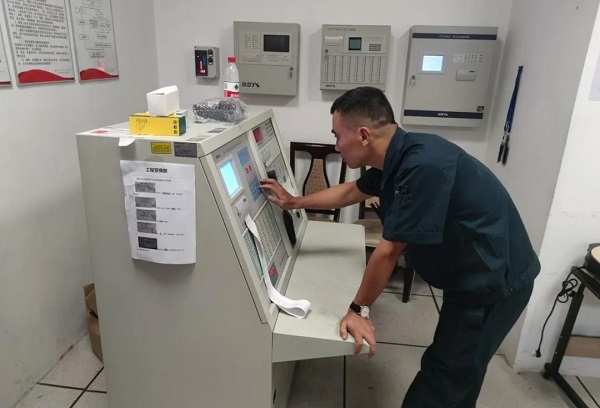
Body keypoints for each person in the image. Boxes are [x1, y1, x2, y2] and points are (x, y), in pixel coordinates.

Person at [260, 86, 540, 407]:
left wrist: (358, 310)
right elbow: (351, 191)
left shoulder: (422, 167)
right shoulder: (399, 155)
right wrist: (295, 202)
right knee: (459, 370)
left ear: (363, 135)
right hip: (471, 272)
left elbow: (388, 251)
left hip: (494, 281)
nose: (336, 145)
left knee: (447, 374)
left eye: (337, 136)